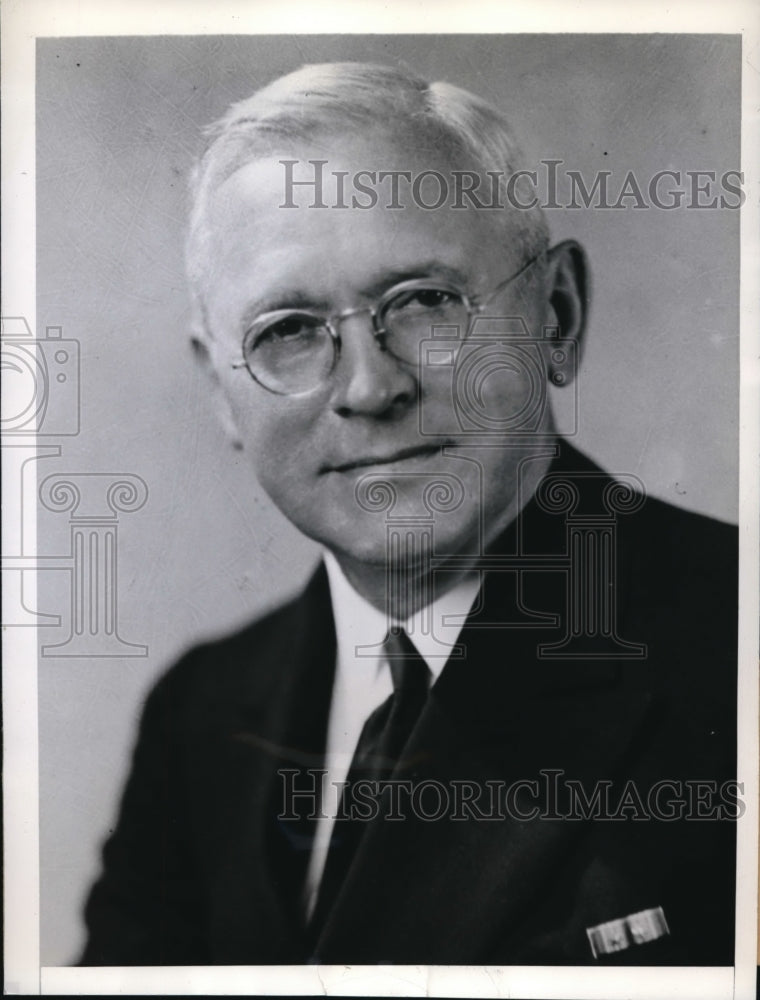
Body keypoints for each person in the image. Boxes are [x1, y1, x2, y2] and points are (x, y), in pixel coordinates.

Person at [80, 62, 737, 966]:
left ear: (556, 314)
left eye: (427, 301)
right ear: (222, 394)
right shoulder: (201, 711)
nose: (370, 386)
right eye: (288, 330)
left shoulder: (736, 643)